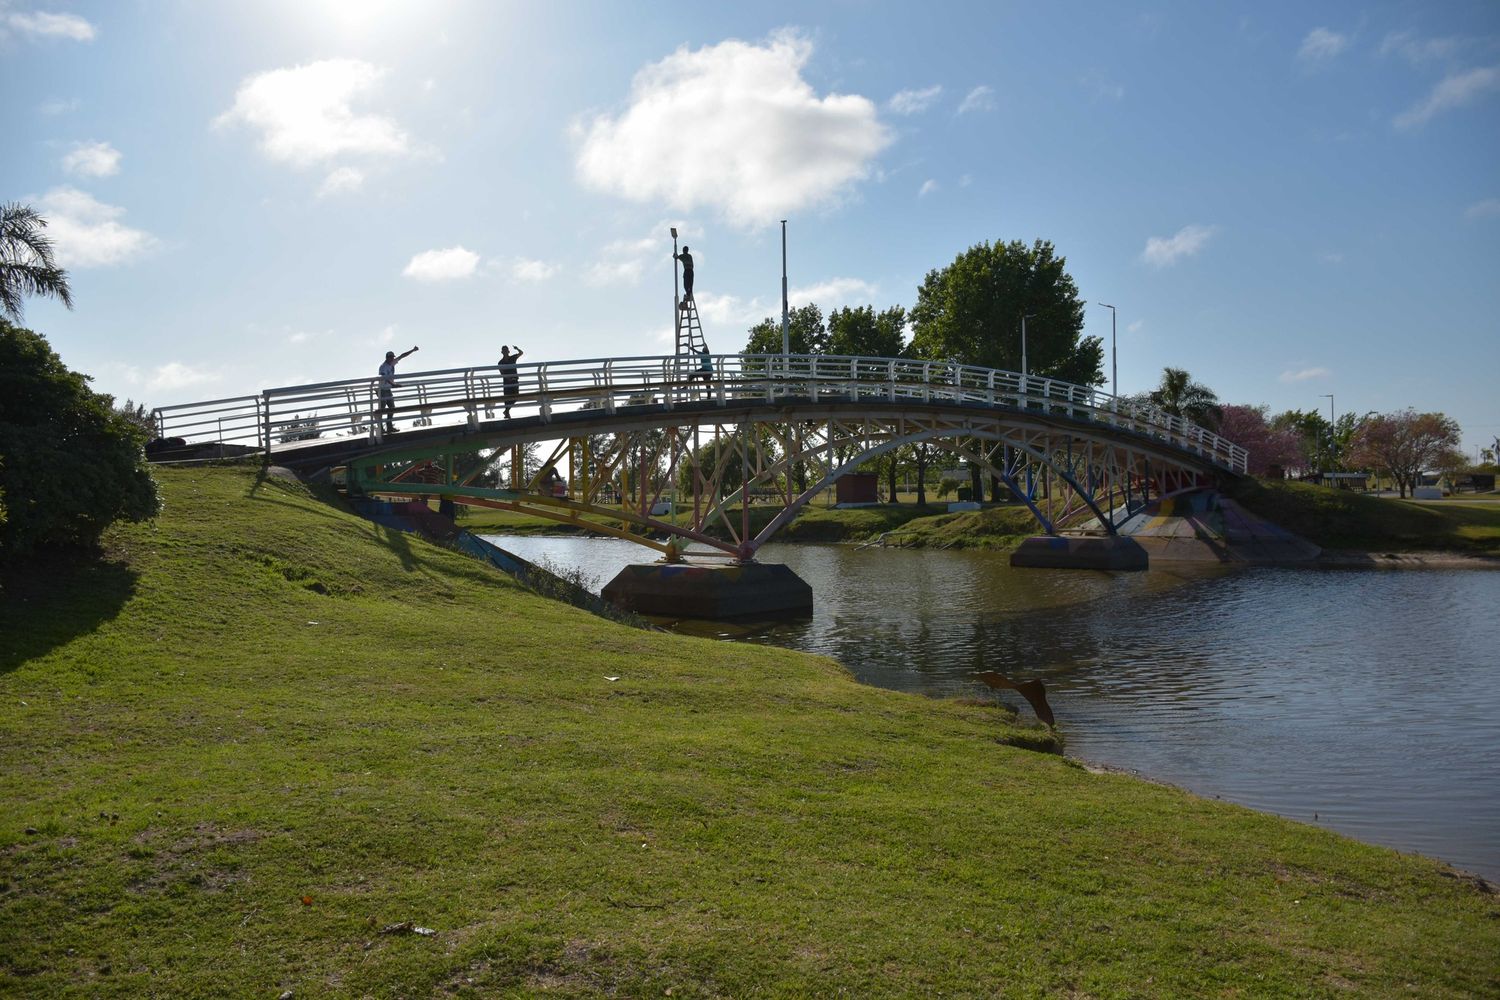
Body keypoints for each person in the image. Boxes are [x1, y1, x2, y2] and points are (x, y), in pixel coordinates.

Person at [378, 345, 418, 434]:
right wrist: (394, 384)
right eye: (391, 357)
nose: (392, 359)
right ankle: (380, 429)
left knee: (392, 408)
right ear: (387, 358)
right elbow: (384, 377)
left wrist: (412, 350)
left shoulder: (392, 363)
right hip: (382, 390)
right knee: (382, 410)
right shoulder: (383, 366)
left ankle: (389, 427)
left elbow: (402, 356)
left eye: (393, 357)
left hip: (387, 389)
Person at [498, 345, 524, 417]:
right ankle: (507, 413)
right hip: (507, 382)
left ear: (508, 351)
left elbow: (521, 353)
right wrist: (508, 379)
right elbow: (502, 373)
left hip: (515, 381)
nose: (505, 351)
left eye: (506, 350)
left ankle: (506, 411)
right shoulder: (500, 362)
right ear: (502, 352)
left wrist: (517, 348)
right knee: (507, 399)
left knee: (516, 396)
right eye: (504, 350)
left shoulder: (513, 358)